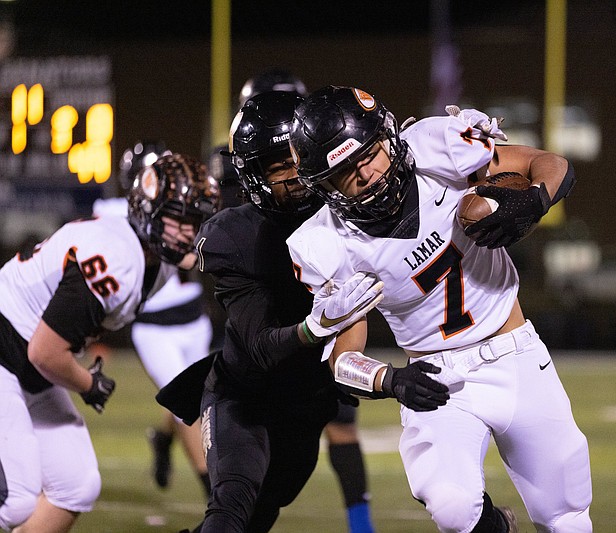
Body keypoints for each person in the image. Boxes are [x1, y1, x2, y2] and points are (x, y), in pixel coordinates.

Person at [287, 86, 592, 533]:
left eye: (369, 154)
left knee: (564, 513)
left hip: (516, 352)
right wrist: (390, 380)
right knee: (451, 507)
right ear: (325, 187)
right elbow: (342, 360)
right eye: (347, 172)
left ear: (387, 137)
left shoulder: (437, 147)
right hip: (437, 376)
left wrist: (534, 199)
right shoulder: (327, 243)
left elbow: (550, 164)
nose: (367, 174)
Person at [159, 90, 445, 533]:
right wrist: (317, 326)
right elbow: (259, 348)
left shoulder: (350, 213)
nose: (298, 175)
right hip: (245, 395)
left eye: (301, 158)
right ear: (255, 178)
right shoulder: (236, 237)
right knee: (230, 510)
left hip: (308, 403)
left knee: (258, 518)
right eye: (280, 168)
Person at [0, 153, 220, 533]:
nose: (190, 231)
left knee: (76, 484)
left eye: (196, 220)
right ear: (149, 211)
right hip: (8, 349)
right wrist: (89, 384)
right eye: (180, 219)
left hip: (27, 360)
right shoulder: (116, 258)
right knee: (15, 499)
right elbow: (46, 351)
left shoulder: (158, 259)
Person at [238, 68, 380, 533]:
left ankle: (361, 526)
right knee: (256, 447)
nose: (292, 168)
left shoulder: (329, 182)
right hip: (280, 335)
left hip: (327, 316)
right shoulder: (246, 210)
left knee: (337, 421)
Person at [94, 141, 213, 497]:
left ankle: (163, 440)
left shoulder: (184, 204)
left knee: (198, 395)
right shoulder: (113, 212)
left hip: (194, 318)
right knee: (187, 408)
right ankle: (216, 494)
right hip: (153, 327)